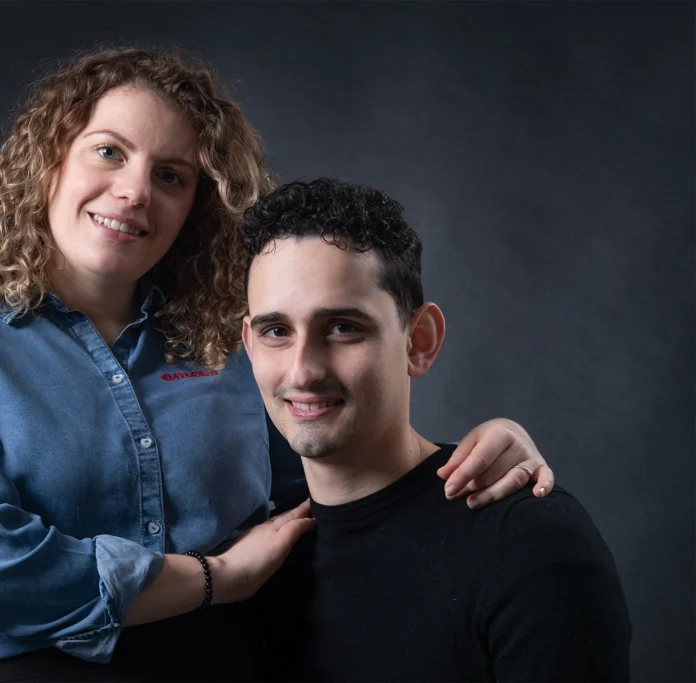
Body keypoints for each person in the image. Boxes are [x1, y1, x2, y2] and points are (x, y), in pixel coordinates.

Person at [0, 48, 556, 682]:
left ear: (195, 206)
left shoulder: (232, 347)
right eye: (109, 152)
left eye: (171, 176)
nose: (135, 191)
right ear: (50, 160)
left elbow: (335, 489)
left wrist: (473, 461)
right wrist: (214, 576)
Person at [242, 178, 632, 681]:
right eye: (278, 332)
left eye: (342, 327)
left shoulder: (528, 541)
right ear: (250, 347)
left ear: (418, 341)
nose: (302, 371)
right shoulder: (251, 553)